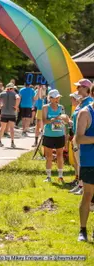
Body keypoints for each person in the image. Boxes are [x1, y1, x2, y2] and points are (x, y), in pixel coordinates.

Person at [75, 91, 94, 241]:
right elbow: (79, 138)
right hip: (90, 161)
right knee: (88, 195)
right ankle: (83, 230)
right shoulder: (85, 113)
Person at [69, 79, 93, 195]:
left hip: (85, 139)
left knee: (82, 162)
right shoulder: (81, 102)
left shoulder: (89, 103)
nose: (77, 89)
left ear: (85, 88)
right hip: (76, 136)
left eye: (79, 87)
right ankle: (80, 184)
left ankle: (83, 186)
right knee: (77, 162)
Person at [42, 89, 68, 184]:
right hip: (48, 134)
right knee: (49, 156)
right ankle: (48, 176)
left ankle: (60, 176)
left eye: (58, 97)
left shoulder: (61, 107)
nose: (58, 99)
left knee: (60, 155)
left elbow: (64, 121)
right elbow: (44, 121)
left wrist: (65, 133)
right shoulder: (45, 107)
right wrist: (54, 119)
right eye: (56, 97)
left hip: (59, 134)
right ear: (50, 98)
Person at [0, 83, 20, 148]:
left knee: (2, 128)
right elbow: (18, 98)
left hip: (4, 113)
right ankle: (12, 142)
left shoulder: (3, 93)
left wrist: (0, 105)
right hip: (12, 113)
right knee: (11, 128)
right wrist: (16, 106)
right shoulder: (14, 94)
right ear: (12, 88)